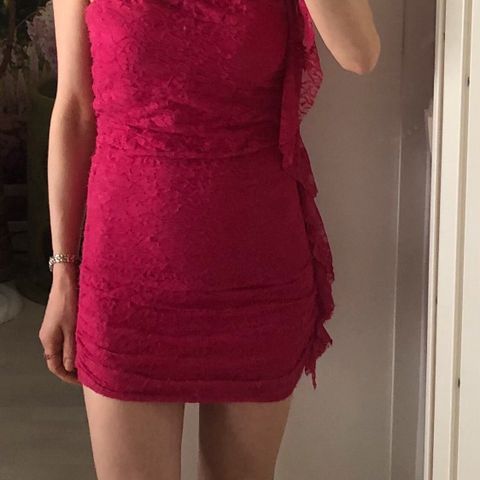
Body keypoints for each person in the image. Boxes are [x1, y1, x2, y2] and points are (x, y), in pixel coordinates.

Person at [38, 0, 380, 478]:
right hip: (126, 279)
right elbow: (74, 111)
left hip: (257, 276)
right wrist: (63, 272)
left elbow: (360, 54)